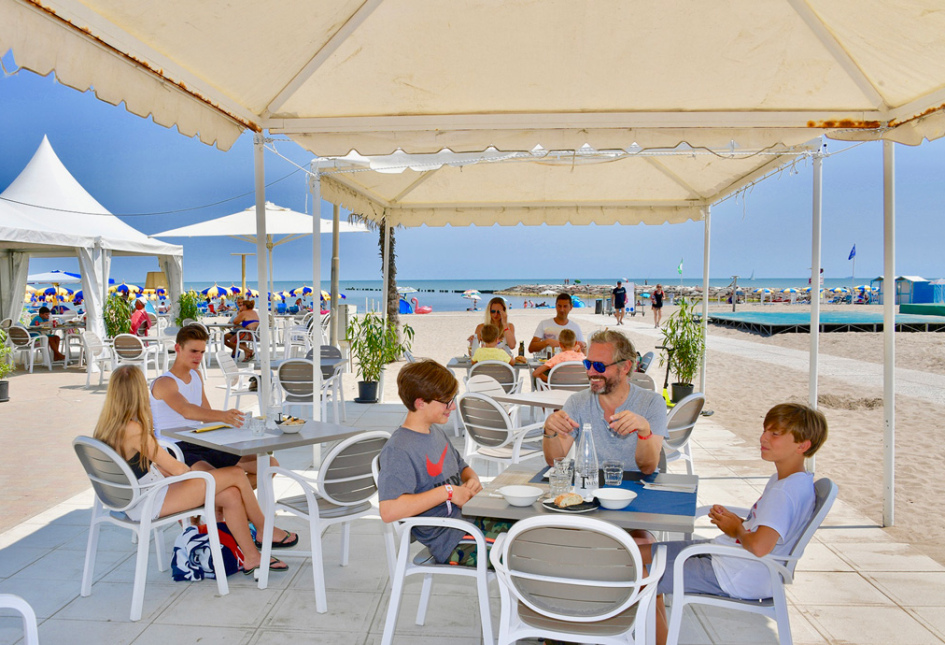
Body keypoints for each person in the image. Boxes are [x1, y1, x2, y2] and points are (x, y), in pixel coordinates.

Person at [638, 403, 828, 645]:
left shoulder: (785, 493)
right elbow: (766, 530)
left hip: (736, 573)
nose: (763, 438)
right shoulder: (792, 481)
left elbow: (760, 547)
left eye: (775, 434)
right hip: (731, 558)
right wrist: (737, 522)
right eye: (765, 430)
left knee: (641, 573)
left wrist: (736, 529)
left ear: (803, 445)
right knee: (638, 554)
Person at [95, 365, 295, 575]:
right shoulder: (134, 429)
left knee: (230, 494)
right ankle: (264, 529)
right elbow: (178, 468)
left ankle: (252, 557)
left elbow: (143, 467)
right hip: (149, 501)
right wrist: (189, 475)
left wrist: (172, 473)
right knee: (235, 474)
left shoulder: (106, 427)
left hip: (137, 496)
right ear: (138, 393)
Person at [378, 360, 494, 566]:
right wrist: (448, 492)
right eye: (446, 401)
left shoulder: (435, 432)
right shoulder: (399, 449)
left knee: (536, 532)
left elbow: (462, 467)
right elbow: (389, 511)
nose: (452, 407)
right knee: (522, 552)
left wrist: (472, 479)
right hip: (451, 541)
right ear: (420, 403)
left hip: (469, 523)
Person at [150, 325, 277, 488]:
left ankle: (222, 504)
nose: (198, 357)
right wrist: (224, 416)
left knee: (270, 465)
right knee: (225, 484)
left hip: (200, 441)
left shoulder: (196, 375)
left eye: (202, 352)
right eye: (193, 351)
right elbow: (186, 410)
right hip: (176, 448)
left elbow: (206, 413)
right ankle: (222, 504)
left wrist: (233, 432)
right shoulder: (164, 383)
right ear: (177, 348)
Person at [542, 329, 666, 473]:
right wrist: (550, 431)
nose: (591, 372)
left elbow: (648, 468)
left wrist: (644, 430)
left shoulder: (652, 403)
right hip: (590, 487)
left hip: (637, 488)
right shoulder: (577, 402)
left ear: (625, 367)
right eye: (588, 364)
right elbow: (554, 460)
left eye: (600, 366)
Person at [528, 292, 586, 357]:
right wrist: (547, 342)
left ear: (571, 307)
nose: (562, 309)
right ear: (556, 306)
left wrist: (584, 346)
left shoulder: (575, 327)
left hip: (568, 364)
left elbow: (583, 352)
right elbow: (531, 348)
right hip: (548, 364)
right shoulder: (544, 324)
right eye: (559, 306)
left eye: (565, 306)